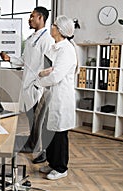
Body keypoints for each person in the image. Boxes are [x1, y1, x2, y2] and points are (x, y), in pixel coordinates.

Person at [0, 6, 54, 163]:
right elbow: (24, 61)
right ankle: (31, 144)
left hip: (38, 86)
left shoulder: (47, 40)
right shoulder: (31, 39)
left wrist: (39, 83)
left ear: (41, 18)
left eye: (32, 16)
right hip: (28, 84)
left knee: (40, 120)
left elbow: (49, 66)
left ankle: (43, 151)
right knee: (31, 118)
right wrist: (10, 59)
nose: (29, 19)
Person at [29, 15, 77, 180]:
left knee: (60, 134)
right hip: (49, 95)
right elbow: (44, 69)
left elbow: (55, 76)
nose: (52, 27)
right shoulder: (54, 47)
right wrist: (42, 74)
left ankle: (61, 168)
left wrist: (41, 76)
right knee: (49, 131)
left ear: (60, 30)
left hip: (61, 98)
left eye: (54, 25)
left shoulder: (67, 50)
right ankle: (51, 163)